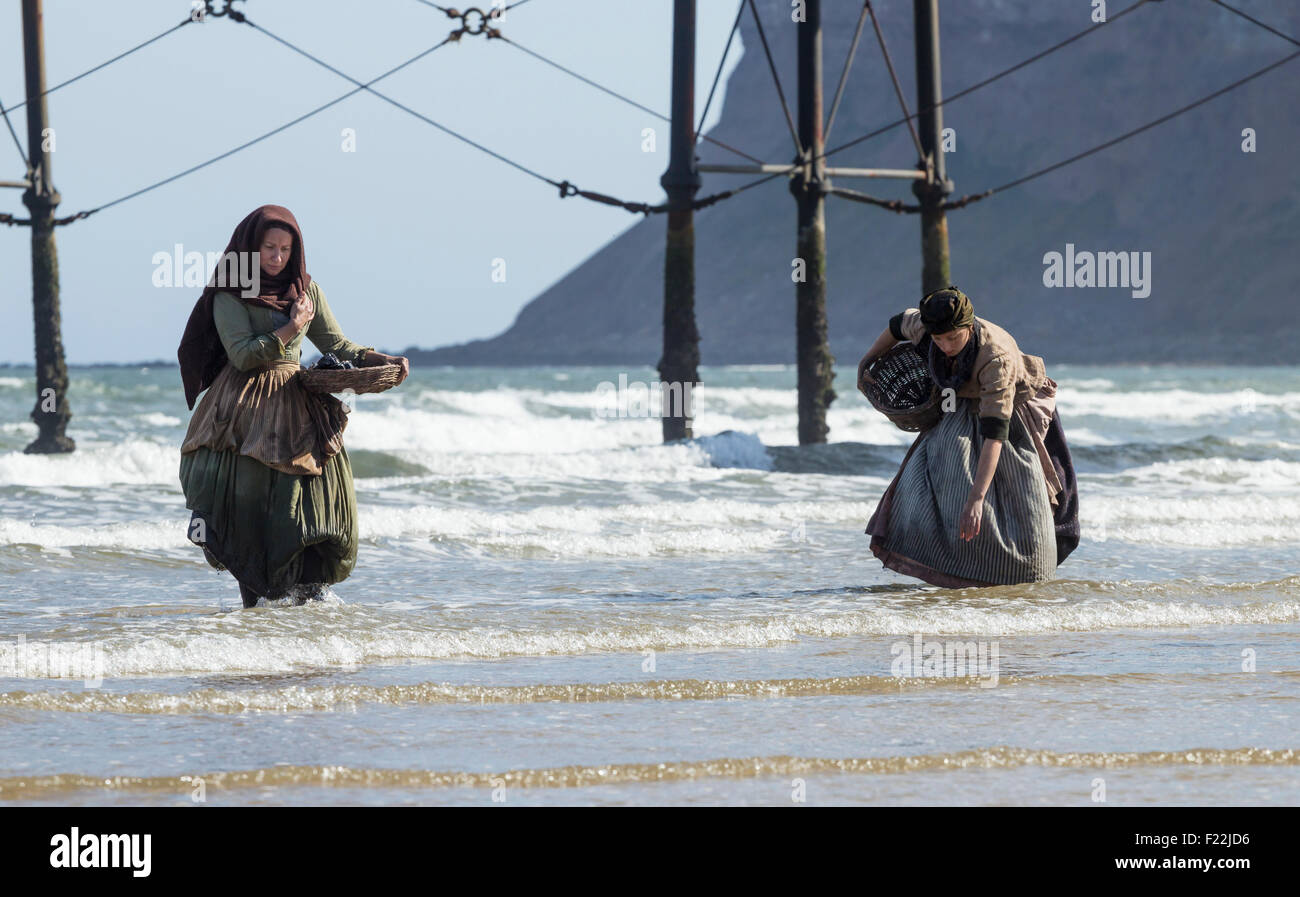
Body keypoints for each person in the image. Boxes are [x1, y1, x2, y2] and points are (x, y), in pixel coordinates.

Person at [176, 205, 409, 607]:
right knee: (247, 510)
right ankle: (254, 607)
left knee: (311, 507)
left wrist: (382, 361)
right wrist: (291, 327)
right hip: (241, 410)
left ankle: (303, 611)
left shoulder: (307, 290)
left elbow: (338, 346)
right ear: (250, 246)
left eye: (286, 249)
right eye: (269, 247)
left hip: (297, 405)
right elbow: (244, 355)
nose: (278, 257)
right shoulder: (231, 290)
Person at [857, 286, 1079, 587]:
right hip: (960, 402)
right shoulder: (927, 327)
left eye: (953, 338)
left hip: (1011, 412)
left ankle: (1016, 580)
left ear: (967, 327)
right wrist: (867, 360)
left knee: (1019, 502)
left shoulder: (994, 358)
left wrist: (976, 498)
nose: (946, 346)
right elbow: (897, 326)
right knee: (929, 478)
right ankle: (949, 568)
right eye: (939, 340)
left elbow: (995, 435)